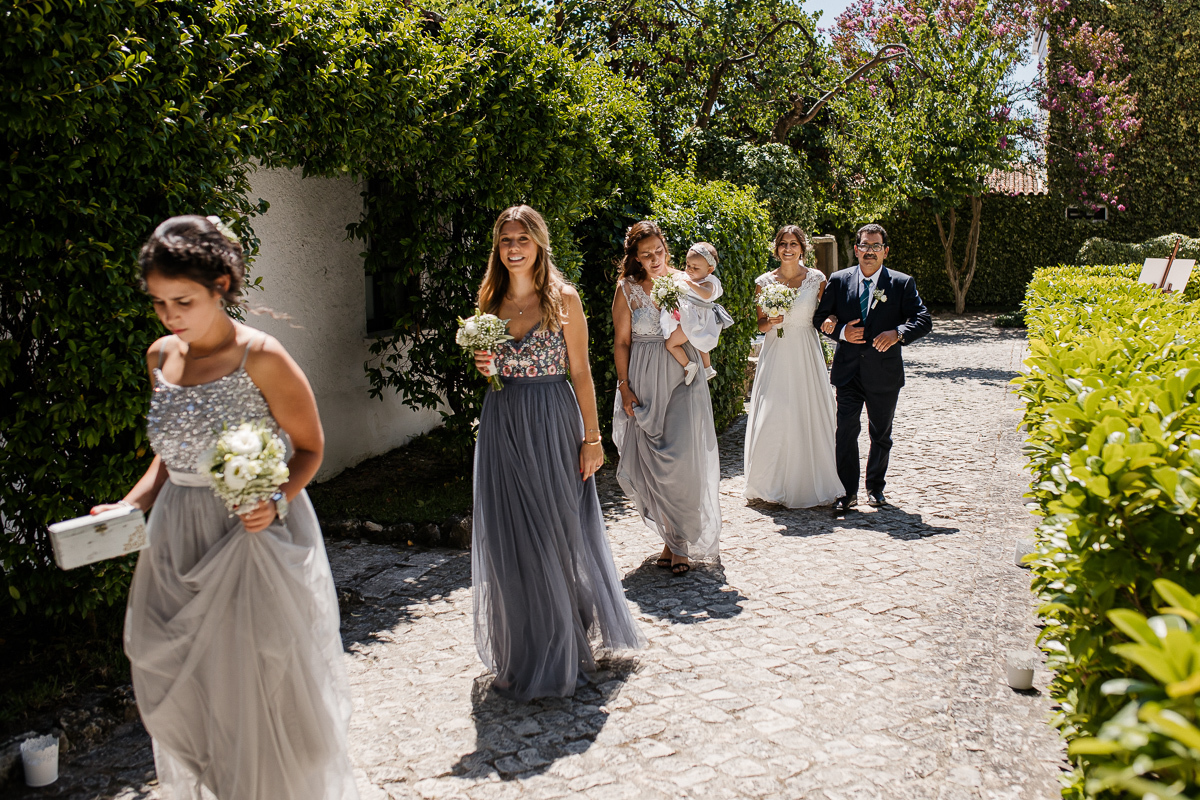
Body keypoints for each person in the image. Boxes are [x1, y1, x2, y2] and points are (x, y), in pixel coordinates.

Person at [91, 216, 357, 800]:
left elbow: (310, 449)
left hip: (249, 537)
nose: (169, 316)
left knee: (257, 685)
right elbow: (170, 458)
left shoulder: (261, 356)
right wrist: (127, 506)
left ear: (221, 285)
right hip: (176, 536)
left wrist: (274, 499)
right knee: (191, 684)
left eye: (182, 301)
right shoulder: (160, 356)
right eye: (158, 302)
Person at [471, 205, 644, 701]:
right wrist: (485, 365)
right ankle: (520, 652)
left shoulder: (563, 298)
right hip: (504, 421)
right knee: (509, 537)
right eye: (506, 240)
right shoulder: (490, 299)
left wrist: (592, 438)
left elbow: (582, 372)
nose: (514, 248)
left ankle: (565, 641)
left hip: (552, 420)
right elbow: (492, 368)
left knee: (555, 531)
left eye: (522, 239)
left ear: (539, 243)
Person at [611, 221, 722, 576]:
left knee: (680, 460)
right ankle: (672, 539)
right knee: (651, 465)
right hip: (643, 379)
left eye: (659, 251)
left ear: (666, 248)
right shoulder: (626, 289)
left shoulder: (686, 280)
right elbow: (622, 342)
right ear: (635, 257)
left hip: (681, 376)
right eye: (646, 255)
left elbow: (708, 314)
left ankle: (681, 543)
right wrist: (624, 386)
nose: (655, 259)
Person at [813, 223, 932, 512]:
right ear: (856, 250)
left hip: (884, 374)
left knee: (880, 434)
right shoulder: (839, 280)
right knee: (845, 431)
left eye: (876, 246)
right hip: (848, 372)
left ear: (885, 251)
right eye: (865, 246)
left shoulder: (902, 283)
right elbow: (820, 318)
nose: (870, 251)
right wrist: (841, 331)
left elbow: (923, 319)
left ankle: (875, 488)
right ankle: (847, 492)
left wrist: (898, 334)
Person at [743, 226, 843, 508]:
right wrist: (771, 322)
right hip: (776, 352)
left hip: (805, 351)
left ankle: (809, 479)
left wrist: (832, 320)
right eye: (783, 244)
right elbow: (760, 325)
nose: (788, 249)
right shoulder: (764, 281)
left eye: (793, 244)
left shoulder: (817, 279)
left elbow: (830, 312)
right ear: (776, 249)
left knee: (805, 409)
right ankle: (771, 483)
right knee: (774, 413)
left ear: (802, 247)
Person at [661, 242, 734, 385]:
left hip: (696, 320)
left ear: (709, 270)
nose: (689, 270)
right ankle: (707, 368)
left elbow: (707, 294)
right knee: (701, 344)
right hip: (689, 317)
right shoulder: (686, 277)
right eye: (688, 265)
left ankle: (689, 365)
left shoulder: (709, 282)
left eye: (695, 268)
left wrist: (691, 284)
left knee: (671, 344)